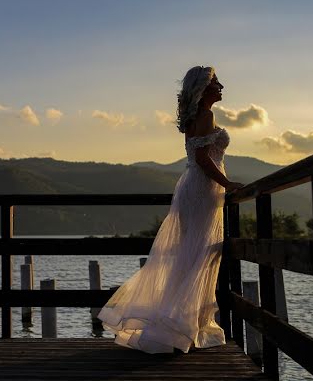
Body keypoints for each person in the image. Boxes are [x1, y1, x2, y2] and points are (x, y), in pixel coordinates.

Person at [98, 66, 244, 354]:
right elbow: (202, 157)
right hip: (202, 189)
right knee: (199, 254)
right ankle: (183, 326)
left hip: (194, 188)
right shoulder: (206, 117)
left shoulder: (194, 118)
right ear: (203, 89)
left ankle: (182, 325)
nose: (222, 86)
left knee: (191, 255)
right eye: (216, 83)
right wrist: (227, 183)